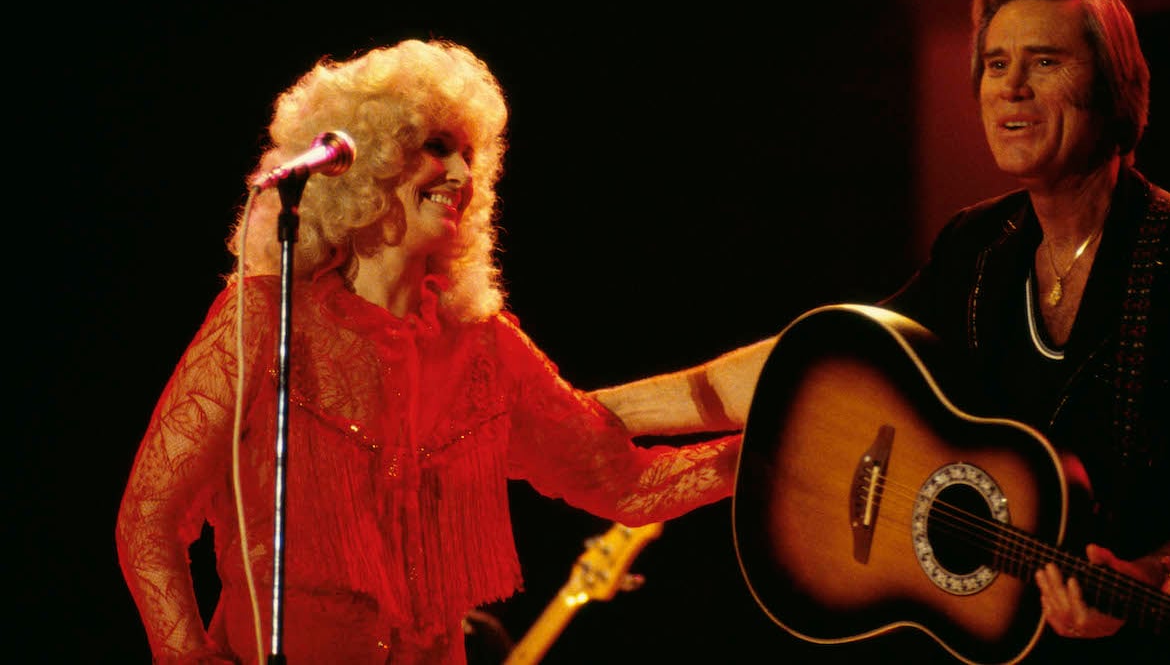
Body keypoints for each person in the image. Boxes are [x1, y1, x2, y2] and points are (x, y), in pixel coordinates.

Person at [598, 0, 1170, 662]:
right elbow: (814, 366)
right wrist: (596, 413)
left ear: (1112, 84)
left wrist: (1158, 571)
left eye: (1045, 61)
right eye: (996, 63)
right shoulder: (978, 249)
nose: (1011, 86)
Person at [115, 38, 744, 664]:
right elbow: (149, 515)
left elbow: (623, 485)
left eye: (472, 156)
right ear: (366, 163)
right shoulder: (265, 320)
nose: (464, 176)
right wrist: (185, 656)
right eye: (437, 148)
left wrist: (765, 455)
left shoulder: (484, 346)